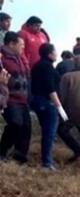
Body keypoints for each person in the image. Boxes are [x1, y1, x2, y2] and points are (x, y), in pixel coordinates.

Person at [31, 43, 65, 170]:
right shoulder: (47, 67)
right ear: (50, 53)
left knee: (47, 132)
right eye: (55, 51)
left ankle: (47, 161)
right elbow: (51, 89)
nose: (56, 53)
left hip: (37, 101)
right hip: (47, 102)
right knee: (49, 133)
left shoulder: (37, 66)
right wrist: (59, 107)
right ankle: (47, 162)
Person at [0, 31, 31, 164]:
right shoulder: (2, 58)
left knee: (26, 127)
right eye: (21, 44)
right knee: (15, 123)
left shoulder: (20, 58)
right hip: (10, 98)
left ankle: (20, 156)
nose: (23, 47)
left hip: (23, 99)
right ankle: (2, 151)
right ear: (11, 44)